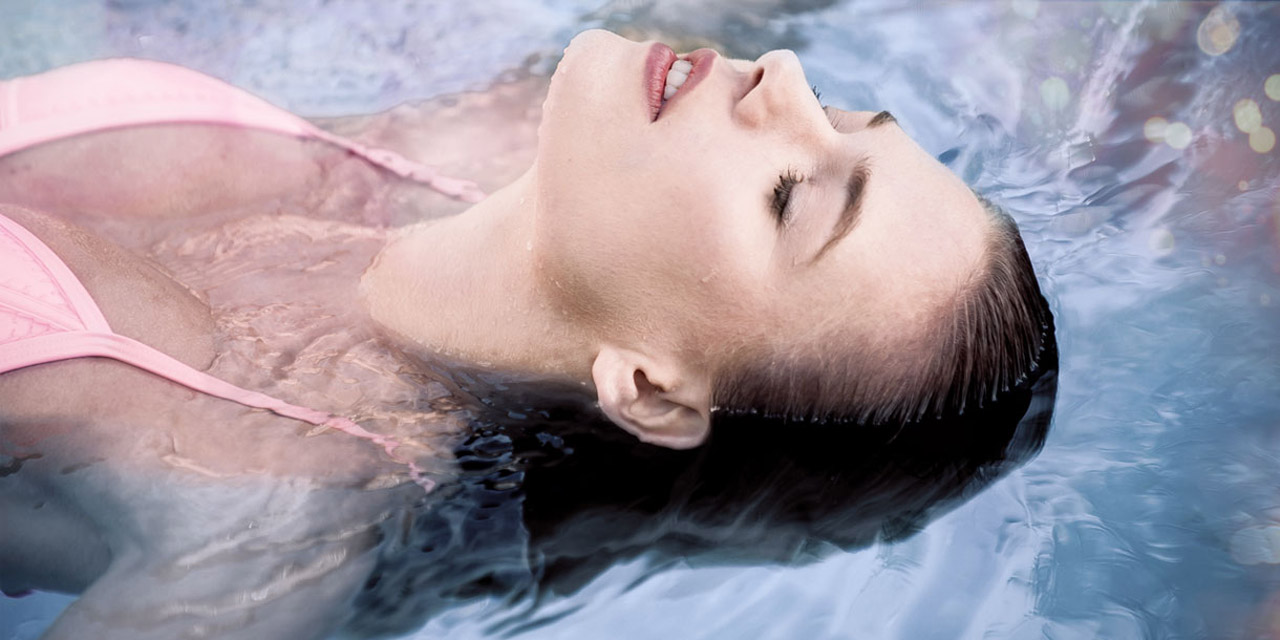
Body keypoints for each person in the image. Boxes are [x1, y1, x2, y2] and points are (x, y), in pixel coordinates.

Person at [0, 29, 1055, 639]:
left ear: (646, 387)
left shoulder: (270, 521)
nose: (779, 77)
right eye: (839, 109)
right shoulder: (496, 140)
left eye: (788, 195)